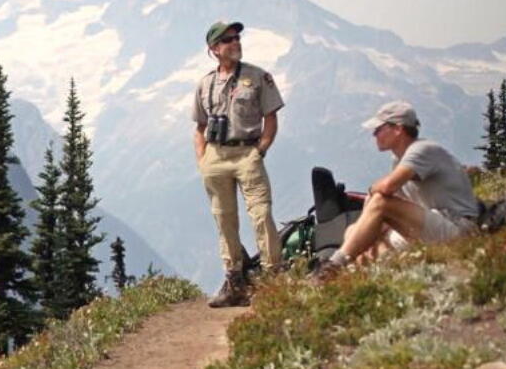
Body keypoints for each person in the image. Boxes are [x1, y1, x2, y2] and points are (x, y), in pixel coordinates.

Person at [319, 100, 478, 273]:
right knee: (355, 233)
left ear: (398, 129)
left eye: (379, 129)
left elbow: (387, 188)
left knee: (380, 202)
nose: (374, 134)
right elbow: (398, 204)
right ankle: (347, 277)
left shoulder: (422, 150)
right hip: (431, 224)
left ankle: (333, 266)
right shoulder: (399, 160)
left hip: (456, 227)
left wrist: (372, 192)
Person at [193, 20, 284, 307]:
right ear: (215, 49)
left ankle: (273, 279)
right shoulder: (205, 83)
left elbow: (271, 117)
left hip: (248, 153)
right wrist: (203, 159)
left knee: (261, 214)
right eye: (228, 40)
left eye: (237, 38)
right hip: (216, 156)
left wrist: (262, 148)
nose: (236, 43)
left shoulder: (258, 77)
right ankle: (235, 282)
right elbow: (199, 126)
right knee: (224, 220)